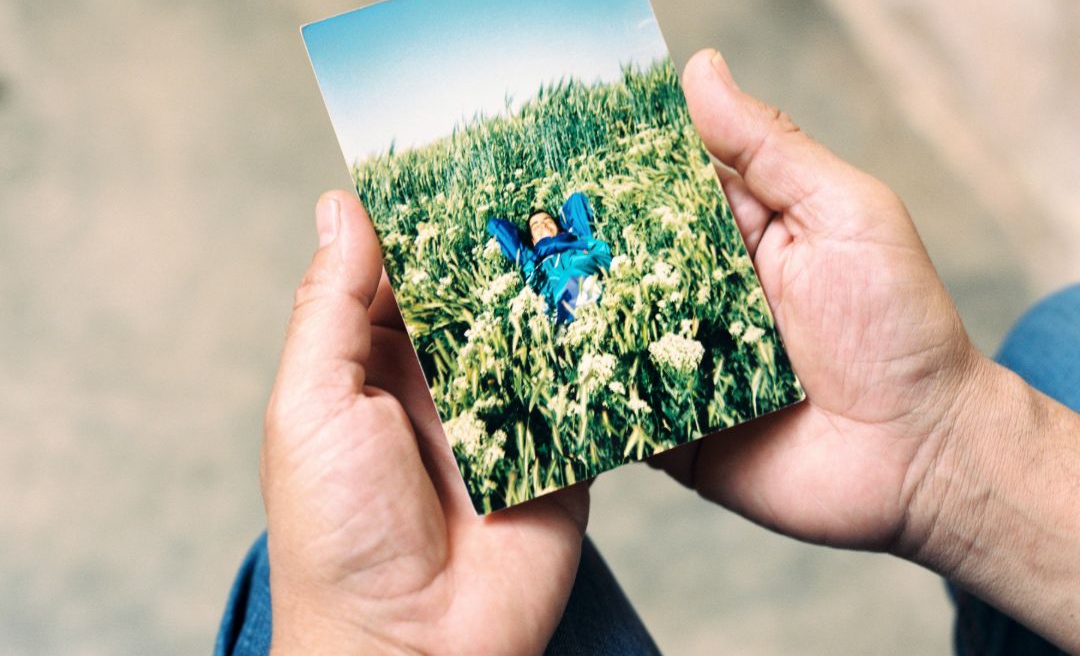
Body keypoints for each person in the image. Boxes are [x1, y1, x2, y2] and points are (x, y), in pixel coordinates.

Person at [217, 49, 1080, 655]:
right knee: (1057, 339)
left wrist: (371, 644)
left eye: (551, 221)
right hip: (569, 301)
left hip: (597, 286)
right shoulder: (537, 255)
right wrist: (949, 440)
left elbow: (584, 205)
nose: (548, 226)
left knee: (300, 567)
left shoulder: (577, 237)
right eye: (543, 226)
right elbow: (505, 237)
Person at [486, 192, 612, 323]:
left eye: (548, 220)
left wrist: (561, 225)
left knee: (576, 270)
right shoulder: (529, 257)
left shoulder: (578, 237)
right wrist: (523, 238)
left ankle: (576, 308)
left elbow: (576, 200)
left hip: (586, 263)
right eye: (536, 226)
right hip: (557, 292)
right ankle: (574, 312)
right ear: (532, 240)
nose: (543, 225)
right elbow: (495, 226)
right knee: (557, 295)